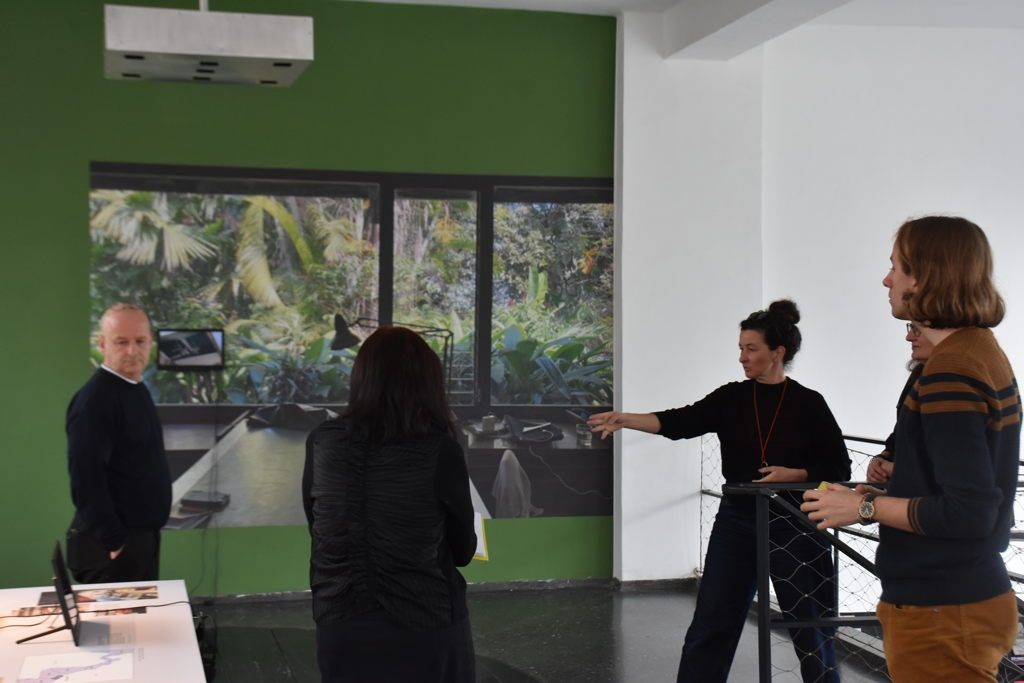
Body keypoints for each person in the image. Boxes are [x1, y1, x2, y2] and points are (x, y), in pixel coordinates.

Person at [803, 216, 1020, 682]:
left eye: (896, 267)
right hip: (958, 599)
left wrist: (863, 507)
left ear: (926, 275)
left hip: (943, 609)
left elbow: (969, 513)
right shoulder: (975, 351)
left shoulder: (952, 369)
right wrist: (886, 491)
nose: (887, 280)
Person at [589, 300, 851, 683]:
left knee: (811, 629)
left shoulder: (809, 404)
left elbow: (839, 468)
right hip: (738, 521)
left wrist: (794, 474)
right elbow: (681, 421)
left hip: (795, 524)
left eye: (751, 349)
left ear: (778, 352)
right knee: (712, 623)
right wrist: (626, 419)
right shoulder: (732, 397)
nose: (742, 357)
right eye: (741, 348)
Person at [302, 326, 477, 683]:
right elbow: (463, 552)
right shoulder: (439, 449)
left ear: (361, 378)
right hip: (425, 623)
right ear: (427, 383)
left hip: (339, 624)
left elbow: (317, 528)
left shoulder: (322, 443)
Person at [65, 303, 171, 583]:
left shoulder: (134, 388)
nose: (132, 350)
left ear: (151, 342)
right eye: (121, 342)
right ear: (103, 344)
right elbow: (85, 479)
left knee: (144, 614)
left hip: (138, 540)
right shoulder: (96, 400)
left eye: (140, 341)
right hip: (112, 548)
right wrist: (114, 540)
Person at [865, 323, 934, 483]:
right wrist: (881, 458)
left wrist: (897, 470)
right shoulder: (919, 374)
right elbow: (900, 433)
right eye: (911, 327)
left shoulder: (956, 383)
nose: (909, 337)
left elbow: (953, 470)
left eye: (918, 329)